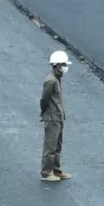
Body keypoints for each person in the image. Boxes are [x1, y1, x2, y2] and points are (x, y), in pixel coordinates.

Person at [40, 50, 71, 182]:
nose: (65, 67)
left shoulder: (57, 79)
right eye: (63, 64)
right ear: (57, 65)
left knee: (57, 146)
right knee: (50, 146)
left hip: (58, 117)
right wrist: (44, 113)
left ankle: (57, 171)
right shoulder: (51, 80)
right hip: (52, 118)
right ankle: (46, 173)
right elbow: (44, 99)